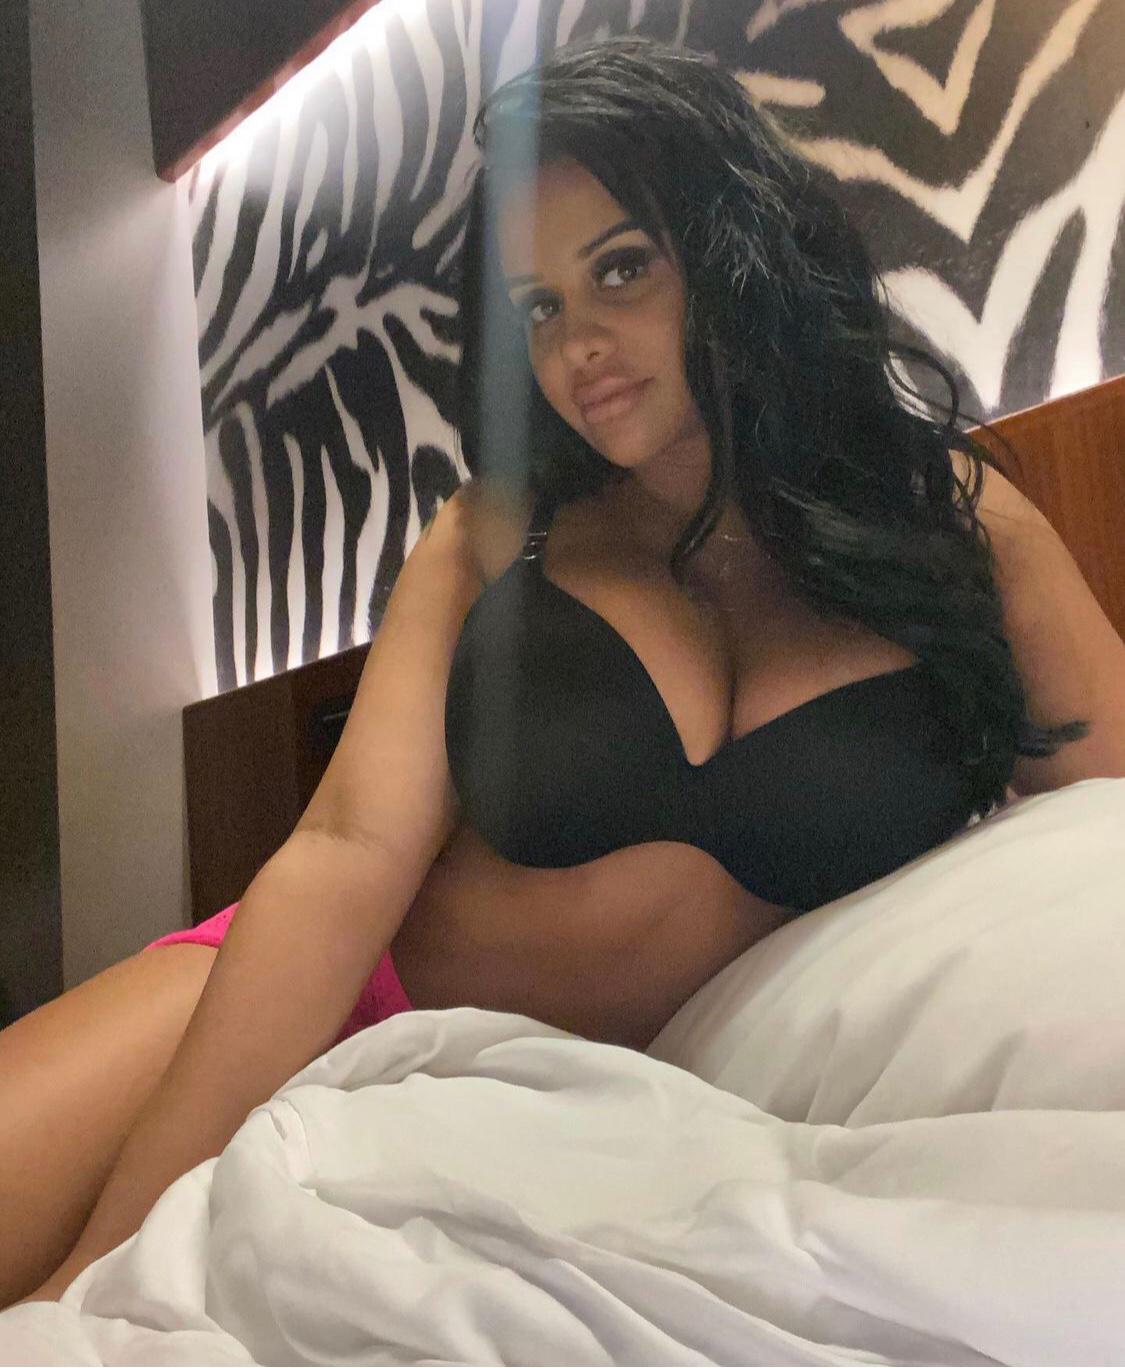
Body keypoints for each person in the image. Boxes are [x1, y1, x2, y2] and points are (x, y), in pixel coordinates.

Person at [3, 33, 1123, 1313]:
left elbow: (1104, 822)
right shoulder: (496, 532)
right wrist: (100, 1264)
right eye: (539, 306)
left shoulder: (959, 535)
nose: (577, 343)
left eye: (622, 269)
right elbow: (345, 853)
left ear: (734, 248)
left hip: (537, 1118)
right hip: (329, 1002)